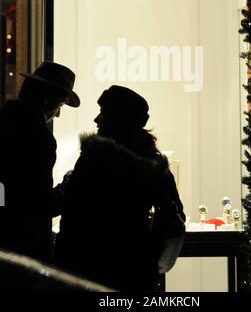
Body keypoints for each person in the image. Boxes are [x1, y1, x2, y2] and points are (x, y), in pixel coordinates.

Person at [55, 85, 185, 292]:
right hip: (135, 269)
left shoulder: (93, 159)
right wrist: (149, 253)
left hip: (86, 267)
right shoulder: (154, 164)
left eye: (103, 113)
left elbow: (71, 210)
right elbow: (174, 218)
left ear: (119, 119)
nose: (97, 120)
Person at [0, 61, 80, 262]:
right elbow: (41, 204)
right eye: (60, 104)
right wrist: (68, 186)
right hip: (22, 248)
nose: (58, 114)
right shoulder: (38, 137)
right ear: (47, 99)